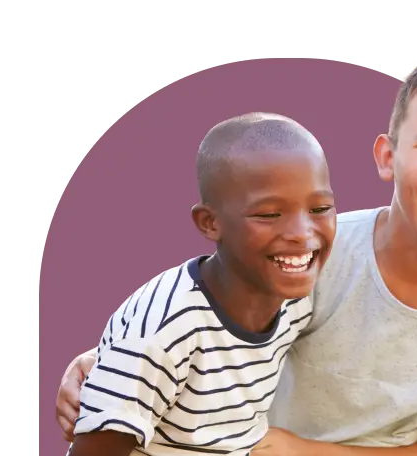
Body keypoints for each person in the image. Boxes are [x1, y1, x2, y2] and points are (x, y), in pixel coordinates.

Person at [56, 49, 417, 456]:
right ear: (388, 157)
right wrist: (109, 361)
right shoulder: (313, 247)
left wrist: (294, 449)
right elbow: (203, 314)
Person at [63, 112, 337, 456]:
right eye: (268, 214)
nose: (302, 233)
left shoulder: (296, 292)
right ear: (210, 223)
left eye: (321, 207)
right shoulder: (162, 337)